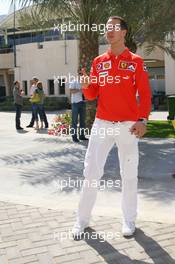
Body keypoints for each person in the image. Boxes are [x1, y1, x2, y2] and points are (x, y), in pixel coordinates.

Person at [72, 16, 151, 237]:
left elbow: (144, 93)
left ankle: (129, 220)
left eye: (114, 28)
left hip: (128, 126)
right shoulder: (99, 61)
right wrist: (87, 85)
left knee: (129, 173)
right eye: (107, 28)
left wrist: (142, 119)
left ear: (124, 32)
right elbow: (91, 94)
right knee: (91, 172)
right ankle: (82, 221)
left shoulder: (135, 61)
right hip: (102, 124)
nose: (109, 31)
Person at [69, 71, 88, 142]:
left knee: (83, 121)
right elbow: (71, 91)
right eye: (80, 74)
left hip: (83, 102)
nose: (82, 75)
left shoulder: (84, 82)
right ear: (78, 74)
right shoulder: (74, 81)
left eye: (83, 74)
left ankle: (82, 136)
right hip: (75, 103)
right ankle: (74, 137)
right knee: (74, 121)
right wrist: (80, 90)